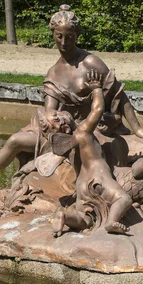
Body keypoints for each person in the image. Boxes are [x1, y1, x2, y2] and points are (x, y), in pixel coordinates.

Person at [44, 4, 143, 141]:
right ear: (53, 34)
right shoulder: (53, 74)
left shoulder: (90, 63)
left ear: (77, 36)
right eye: (59, 36)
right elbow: (49, 113)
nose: (64, 42)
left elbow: (118, 94)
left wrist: (137, 128)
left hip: (98, 127)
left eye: (69, 37)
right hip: (69, 129)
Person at [52, 70, 132, 237]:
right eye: (59, 116)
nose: (61, 113)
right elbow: (98, 109)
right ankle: (111, 221)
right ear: (67, 124)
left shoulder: (67, 143)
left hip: (82, 185)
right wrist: (96, 89)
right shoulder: (82, 131)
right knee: (124, 199)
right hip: (99, 176)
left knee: (86, 219)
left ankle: (64, 216)